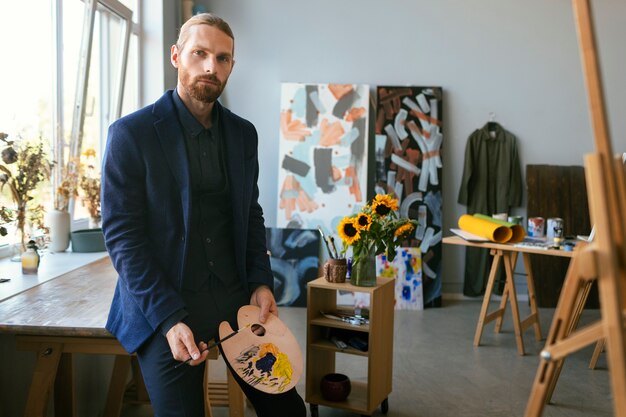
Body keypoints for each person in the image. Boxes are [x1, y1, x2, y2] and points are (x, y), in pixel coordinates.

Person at [101, 13, 306, 417]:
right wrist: (168, 320)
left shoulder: (243, 134)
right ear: (176, 56)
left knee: (288, 411)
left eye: (224, 58)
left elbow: (250, 214)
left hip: (234, 299)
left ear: (232, 66)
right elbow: (124, 239)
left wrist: (261, 283)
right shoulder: (131, 134)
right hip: (166, 305)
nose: (212, 66)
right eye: (200, 53)